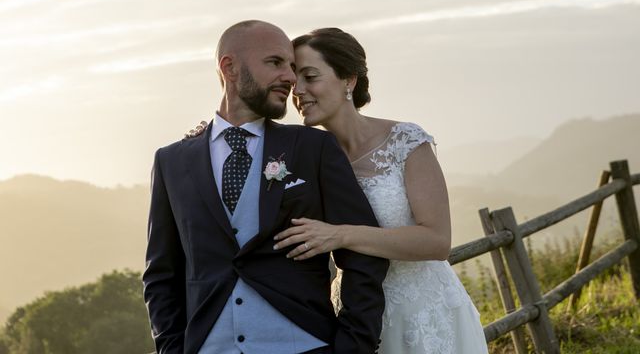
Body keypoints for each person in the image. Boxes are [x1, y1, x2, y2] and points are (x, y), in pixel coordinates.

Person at [143, 20, 389, 354]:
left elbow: (363, 254)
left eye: (291, 66)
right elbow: (161, 276)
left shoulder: (312, 148)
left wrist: (353, 347)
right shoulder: (172, 161)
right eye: (275, 63)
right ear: (229, 67)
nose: (290, 77)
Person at [272, 28, 489, 354]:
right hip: (354, 324)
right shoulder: (304, 158)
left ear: (348, 80)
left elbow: (437, 241)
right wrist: (205, 139)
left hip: (426, 316)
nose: (298, 91)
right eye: (294, 80)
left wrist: (342, 235)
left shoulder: (405, 141)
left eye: (310, 76)